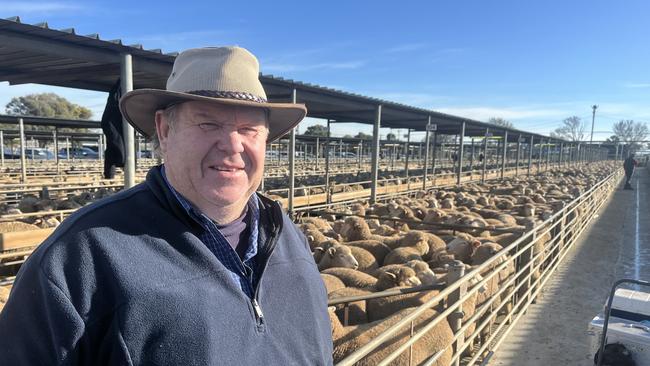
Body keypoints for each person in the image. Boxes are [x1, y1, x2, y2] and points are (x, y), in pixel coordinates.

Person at [0, 47, 333, 365]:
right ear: (164, 130)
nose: (233, 145)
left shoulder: (287, 235)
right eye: (208, 124)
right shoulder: (80, 255)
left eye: (249, 130)